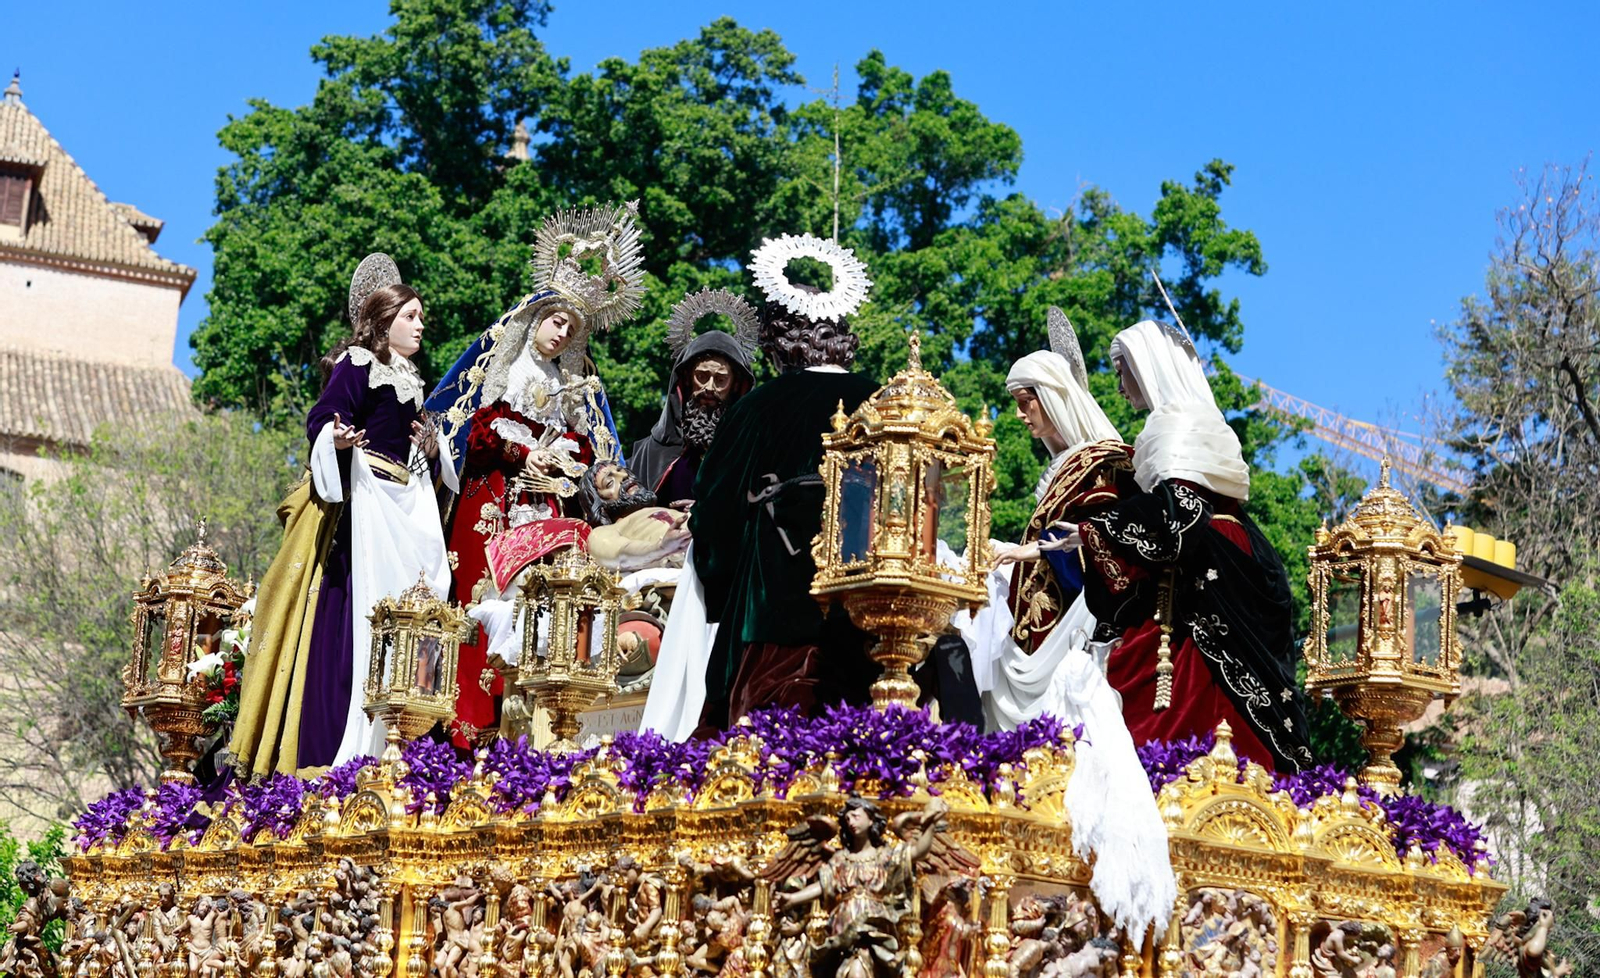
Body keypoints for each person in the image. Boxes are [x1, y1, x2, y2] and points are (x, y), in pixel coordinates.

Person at [956, 309, 1173, 947]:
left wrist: (1027, 555)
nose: (1022, 417)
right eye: (1018, 406)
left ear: (1055, 400)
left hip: (1070, 628)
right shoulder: (1066, 466)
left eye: (1028, 404)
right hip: (1038, 623)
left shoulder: (1101, 465)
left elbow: (1107, 545)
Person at [641, 233, 880, 738]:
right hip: (871, 609)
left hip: (775, 617)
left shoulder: (757, 408)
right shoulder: (881, 399)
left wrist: (722, 583)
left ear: (781, 337)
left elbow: (717, 517)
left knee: (769, 757)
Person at [426, 202, 645, 746]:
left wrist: (566, 459)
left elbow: (588, 448)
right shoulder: (507, 366)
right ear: (535, 317)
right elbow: (477, 431)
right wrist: (526, 455)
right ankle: (471, 728)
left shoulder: (571, 383)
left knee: (548, 606)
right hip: (496, 506)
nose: (561, 334)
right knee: (486, 604)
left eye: (572, 329)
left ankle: (543, 724)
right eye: (555, 321)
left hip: (549, 510)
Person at [230, 255, 455, 777]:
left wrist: (433, 445)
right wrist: (333, 437)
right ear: (384, 320)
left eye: (422, 318)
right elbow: (322, 415)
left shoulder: (410, 378)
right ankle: (339, 744)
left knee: (418, 605)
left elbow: (417, 440)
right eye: (412, 316)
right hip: (364, 513)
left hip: (404, 510)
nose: (421, 326)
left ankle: (400, 734)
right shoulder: (358, 362)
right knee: (363, 613)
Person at [1075, 319, 1312, 771]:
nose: (1120, 385)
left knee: (1200, 697)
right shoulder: (1183, 423)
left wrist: (1097, 524)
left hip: (1206, 565)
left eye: (1123, 371)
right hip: (1208, 557)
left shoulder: (1177, 424)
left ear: (1148, 369)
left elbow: (1178, 513)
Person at [628, 288, 758, 502]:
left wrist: (705, 514)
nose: (709, 387)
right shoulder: (649, 453)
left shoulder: (750, 451)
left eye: (721, 379)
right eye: (702, 376)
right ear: (687, 379)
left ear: (736, 386)